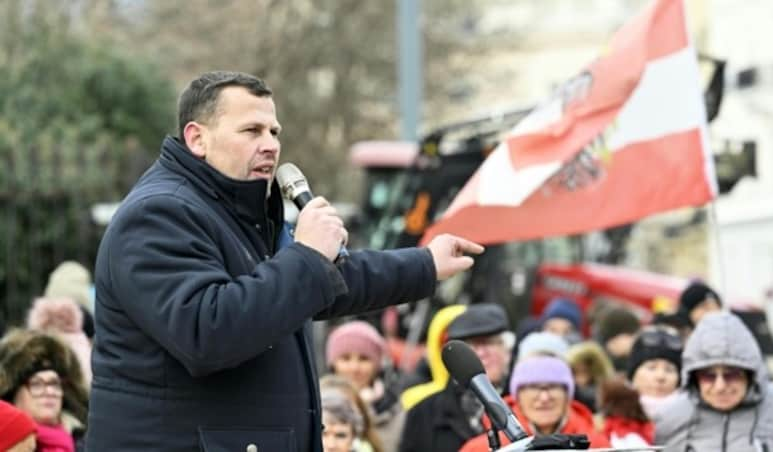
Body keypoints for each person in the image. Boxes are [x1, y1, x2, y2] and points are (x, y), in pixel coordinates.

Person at [85, 71, 482, 452]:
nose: (271, 145)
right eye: (251, 131)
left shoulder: (235, 211)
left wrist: (424, 264)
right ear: (197, 138)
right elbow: (208, 332)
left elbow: (321, 286)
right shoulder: (159, 215)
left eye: (274, 132)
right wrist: (307, 255)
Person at [655, 311, 773, 451]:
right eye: (708, 376)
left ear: (750, 374)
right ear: (694, 377)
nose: (720, 386)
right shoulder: (668, 419)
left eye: (732, 375)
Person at [399, 303, 511, 452]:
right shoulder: (424, 413)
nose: (482, 354)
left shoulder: (527, 405)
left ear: (507, 350)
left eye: (489, 343)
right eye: (471, 347)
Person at [459, 356, 610, 451]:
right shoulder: (481, 448)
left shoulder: (596, 445)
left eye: (553, 387)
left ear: (567, 395)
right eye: (533, 387)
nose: (544, 397)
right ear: (517, 396)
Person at [0, 329, 88, 451]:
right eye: (37, 384)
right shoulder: (8, 445)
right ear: (13, 392)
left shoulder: (86, 438)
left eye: (54, 383)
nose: (49, 392)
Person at [325, 322, 402, 452]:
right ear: (333, 364)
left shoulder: (395, 410)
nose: (354, 367)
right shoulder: (312, 405)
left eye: (364, 359)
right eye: (345, 358)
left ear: (377, 365)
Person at [626, 326, 682, 421]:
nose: (660, 376)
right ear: (633, 374)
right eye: (651, 368)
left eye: (669, 370)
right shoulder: (608, 421)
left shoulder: (695, 420)